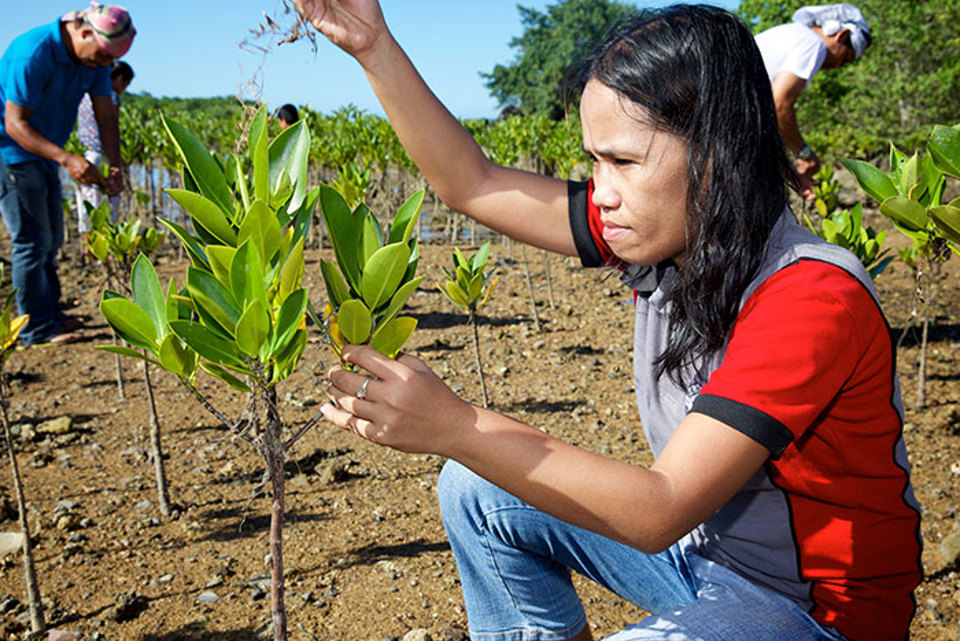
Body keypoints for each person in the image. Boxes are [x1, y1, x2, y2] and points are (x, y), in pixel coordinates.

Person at [302, 2, 922, 641]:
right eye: (594, 161)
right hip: (704, 558)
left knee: (474, 451)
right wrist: (373, 46)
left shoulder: (811, 295)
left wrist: (455, 425)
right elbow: (474, 184)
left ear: (716, 156)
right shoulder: (667, 229)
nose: (599, 191)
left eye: (623, 162)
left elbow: (662, 509)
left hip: (815, 612)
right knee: (477, 489)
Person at [0, 2, 135, 346]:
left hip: (45, 153)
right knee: (31, 242)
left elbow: (107, 118)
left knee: (53, 239)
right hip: (10, 152)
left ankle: (50, 314)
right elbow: (14, 124)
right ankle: (34, 329)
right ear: (85, 31)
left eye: (109, 61)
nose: (105, 66)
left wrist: (116, 164)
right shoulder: (32, 53)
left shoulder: (95, 59)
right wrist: (68, 159)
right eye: (102, 57)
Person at [754, 3, 872, 198]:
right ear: (840, 35)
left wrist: (791, 174)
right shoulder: (811, 44)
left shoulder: (791, 34)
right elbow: (780, 105)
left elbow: (768, 118)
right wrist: (804, 154)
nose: (836, 66)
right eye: (844, 59)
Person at [74, 59, 134, 239]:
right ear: (120, 78)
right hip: (100, 155)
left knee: (86, 204)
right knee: (107, 204)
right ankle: (104, 252)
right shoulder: (109, 95)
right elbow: (111, 128)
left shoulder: (86, 93)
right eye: (126, 84)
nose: (124, 89)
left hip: (82, 156)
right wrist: (117, 164)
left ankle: (89, 251)